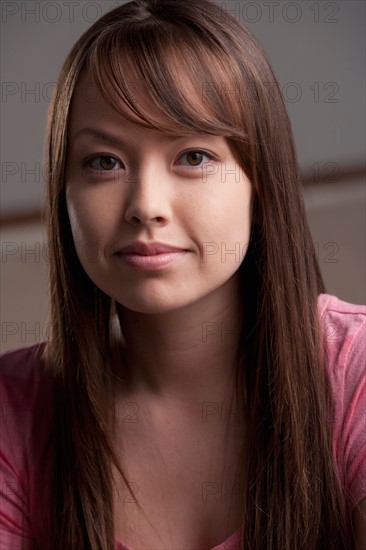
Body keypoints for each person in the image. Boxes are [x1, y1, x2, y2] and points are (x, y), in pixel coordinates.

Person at [0, 0, 365, 549]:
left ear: (261, 187)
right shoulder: (13, 408)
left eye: (193, 156)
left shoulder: (354, 371)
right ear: (63, 194)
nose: (146, 205)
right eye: (104, 162)